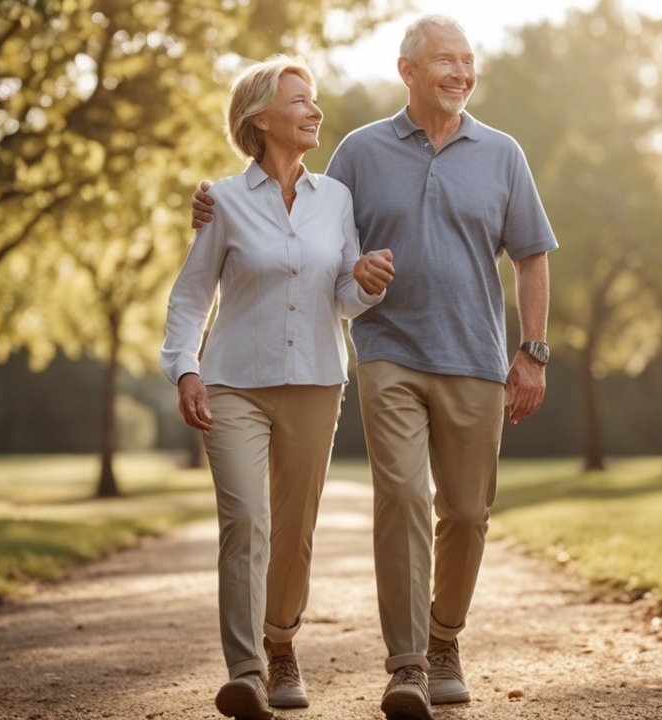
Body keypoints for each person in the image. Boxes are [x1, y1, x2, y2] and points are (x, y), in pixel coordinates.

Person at [194, 15, 556, 720]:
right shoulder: (360, 150)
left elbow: (532, 256)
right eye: (444, 60)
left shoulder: (502, 153)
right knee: (402, 498)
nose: (460, 72)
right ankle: (409, 664)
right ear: (407, 71)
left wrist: (532, 351)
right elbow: (300, 213)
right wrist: (219, 202)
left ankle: (444, 637)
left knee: (468, 513)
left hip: (476, 355)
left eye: (467, 60)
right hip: (387, 351)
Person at [161, 55, 393, 720]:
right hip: (233, 383)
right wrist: (185, 368)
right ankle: (247, 672)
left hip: (317, 382)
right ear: (260, 118)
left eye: (314, 99)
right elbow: (191, 296)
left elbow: (343, 297)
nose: (315, 111)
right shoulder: (223, 201)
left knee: (294, 531)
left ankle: (282, 642)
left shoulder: (336, 200)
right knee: (247, 521)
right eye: (300, 101)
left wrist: (366, 282)